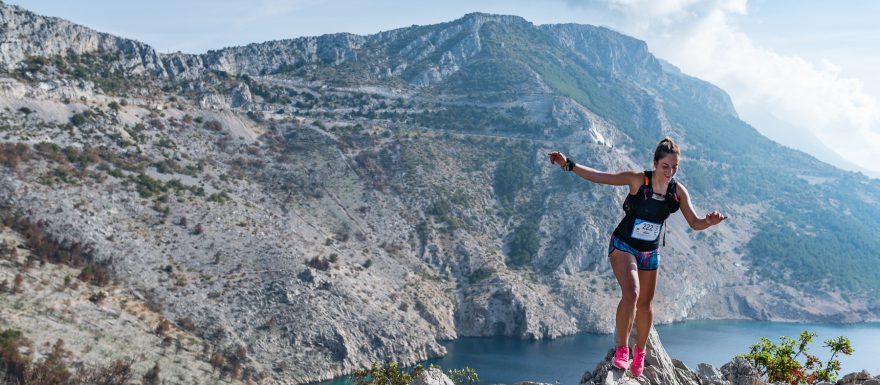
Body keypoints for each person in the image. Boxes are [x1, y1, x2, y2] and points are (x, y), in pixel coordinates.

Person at [548, 138, 727, 377]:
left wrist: (709, 221)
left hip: (650, 251)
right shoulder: (638, 180)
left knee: (645, 305)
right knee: (631, 293)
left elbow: (695, 223)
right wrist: (568, 164)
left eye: (674, 167)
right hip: (624, 245)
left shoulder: (677, 191)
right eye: (665, 166)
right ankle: (622, 350)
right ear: (655, 163)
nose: (670, 172)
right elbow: (601, 176)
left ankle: (640, 353)